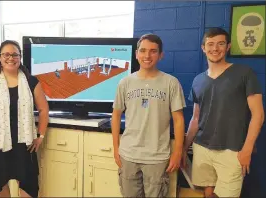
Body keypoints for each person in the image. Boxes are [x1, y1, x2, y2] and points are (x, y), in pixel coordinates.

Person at [182, 27, 265, 198]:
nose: (215, 48)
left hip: (233, 150)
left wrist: (247, 149)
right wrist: (184, 148)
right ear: (203, 48)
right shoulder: (198, 80)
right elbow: (196, 118)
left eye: (220, 44)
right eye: (210, 44)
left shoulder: (244, 73)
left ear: (228, 47)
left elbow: (258, 114)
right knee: (207, 192)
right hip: (202, 147)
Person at [112, 34, 186, 197]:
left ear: (161, 55)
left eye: (153, 51)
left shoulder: (171, 83)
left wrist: (177, 152)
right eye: (143, 51)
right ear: (136, 53)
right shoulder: (125, 83)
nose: (147, 56)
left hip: (157, 158)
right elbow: (116, 115)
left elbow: (179, 120)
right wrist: (116, 148)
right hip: (128, 156)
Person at [0, 40, 49, 197]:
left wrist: (40, 136)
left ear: (20, 57)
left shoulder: (31, 82)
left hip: (24, 144)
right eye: (6, 54)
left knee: (28, 188)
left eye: (15, 54)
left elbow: (43, 109)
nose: (11, 58)